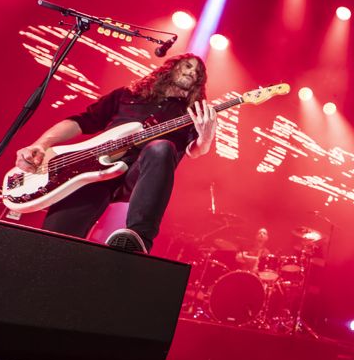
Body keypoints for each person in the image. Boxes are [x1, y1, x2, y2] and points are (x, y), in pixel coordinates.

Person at [14, 53, 218, 254]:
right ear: (170, 67)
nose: (193, 72)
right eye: (188, 66)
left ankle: (138, 237)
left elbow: (195, 150)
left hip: (137, 175)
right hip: (91, 172)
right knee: (53, 245)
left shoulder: (190, 114)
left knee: (161, 148)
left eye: (198, 72)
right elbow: (83, 121)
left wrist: (206, 138)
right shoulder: (127, 95)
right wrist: (41, 144)